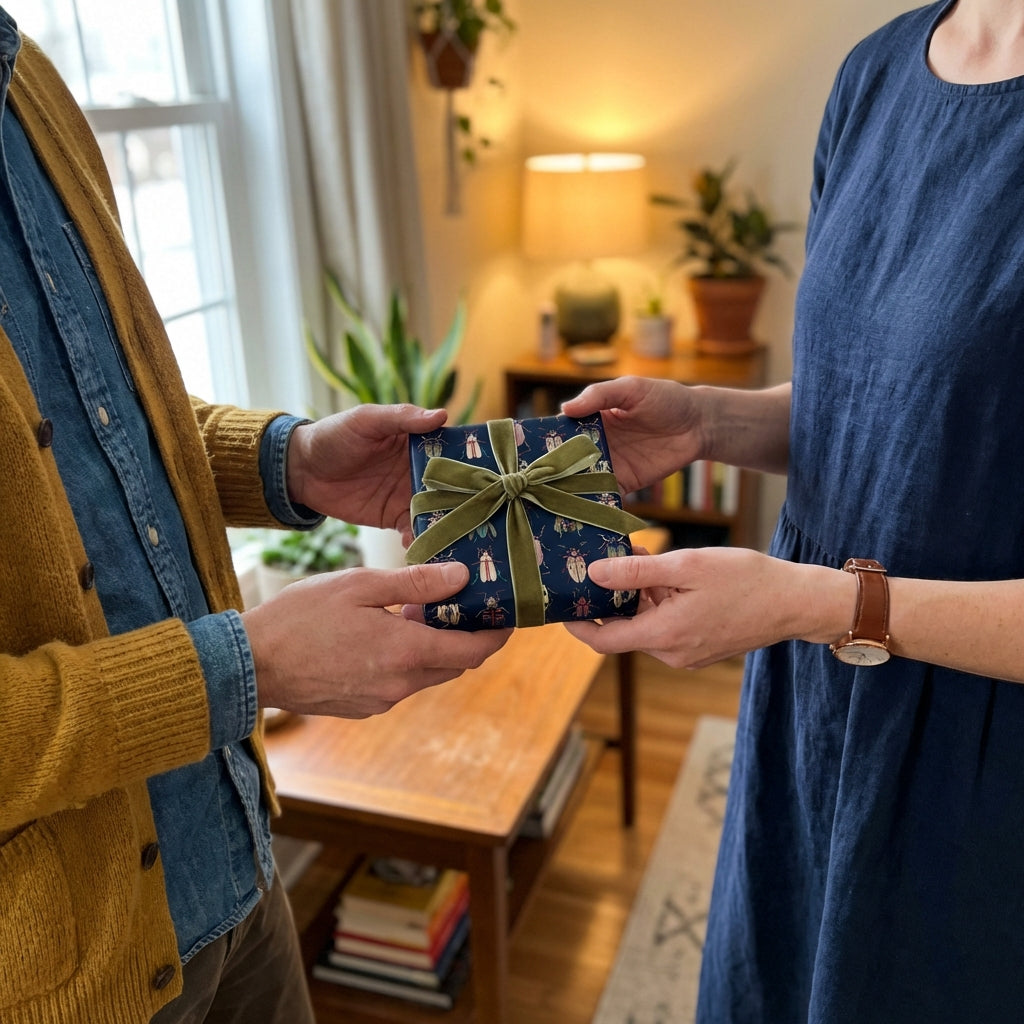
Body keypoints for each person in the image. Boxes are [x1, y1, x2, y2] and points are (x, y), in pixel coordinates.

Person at [0, 11, 509, 1024]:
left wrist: (290, 461)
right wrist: (243, 670)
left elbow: (92, 420)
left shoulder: (27, 83)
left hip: (234, 860)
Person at [563, 0, 1024, 1020]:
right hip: (810, 703)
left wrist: (817, 604)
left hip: (979, 764)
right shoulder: (874, 74)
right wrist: (704, 421)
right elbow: (884, 401)